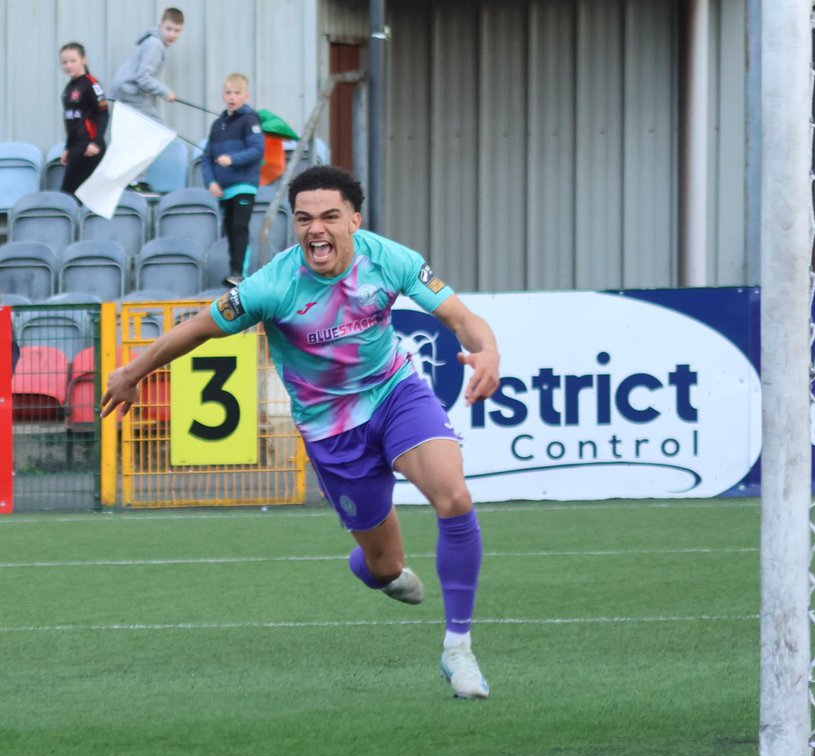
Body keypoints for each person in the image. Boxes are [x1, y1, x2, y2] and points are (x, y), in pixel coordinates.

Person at [102, 165, 500, 700]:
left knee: (454, 497)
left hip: (394, 394)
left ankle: (459, 650)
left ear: (354, 220)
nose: (317, 228)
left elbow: (460, 317)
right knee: (386, 566)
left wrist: (488, 350)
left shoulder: (391, 259)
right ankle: (376, 569)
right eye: (305, 218)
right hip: (332, 432)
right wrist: (133, 371)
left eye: (331, 216)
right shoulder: (272, 285)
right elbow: (196, 329)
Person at [201, 73, 265, 288]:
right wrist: (211, 182)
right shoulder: (217, 124)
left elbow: (257, 150)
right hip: (224, 189)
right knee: (229, 230)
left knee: (239, 227)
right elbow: (207, 158)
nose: (232, 97)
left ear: (245, 95)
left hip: (244, 185)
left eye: (237, 93)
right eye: (228, 92)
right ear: (222, 95)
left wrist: (233, 159)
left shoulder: (250, 120)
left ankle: (239, 273)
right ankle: (234, 271)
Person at [109, 7, 184, 124]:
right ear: (160, 26)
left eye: (177, 30)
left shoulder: (152, 42)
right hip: (128, 91)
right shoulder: (155, 46)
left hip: (124, 90)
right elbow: (143, 78)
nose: (171, 34)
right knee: (158, 127)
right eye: (168, 29)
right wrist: (165, 92)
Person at [58, 42, 108, 197]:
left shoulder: (90, 83)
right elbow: (71, 122)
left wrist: (97, 142)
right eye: (64, 62)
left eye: (73, 61)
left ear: (83, 60)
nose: (68, 65)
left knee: (68, 193)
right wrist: (68, 148)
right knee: (76, 194)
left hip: (89, 149)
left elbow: (104, 113)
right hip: (76, 148)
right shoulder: (69, 87)